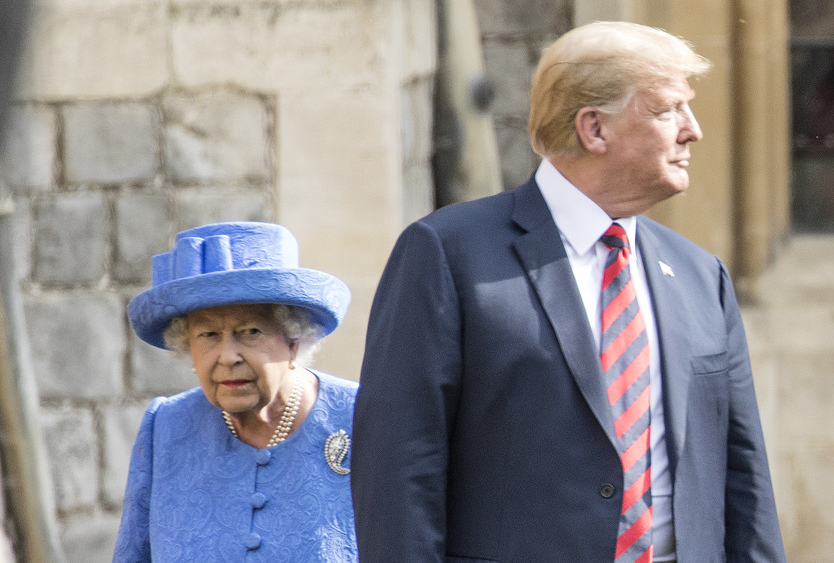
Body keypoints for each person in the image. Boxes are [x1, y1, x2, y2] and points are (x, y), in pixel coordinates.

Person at [352, 21, 786, 563]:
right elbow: (398, 468)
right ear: (594, 129)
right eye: (668, 109)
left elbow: (744, 478)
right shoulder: (447, 255)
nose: (693, 129)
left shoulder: (701, 275)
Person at [114, 221, 358, 562]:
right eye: (209, 335)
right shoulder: (166, 426)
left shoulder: (365, 418)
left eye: (251, 331)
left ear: (294, 339)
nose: (227, 357)